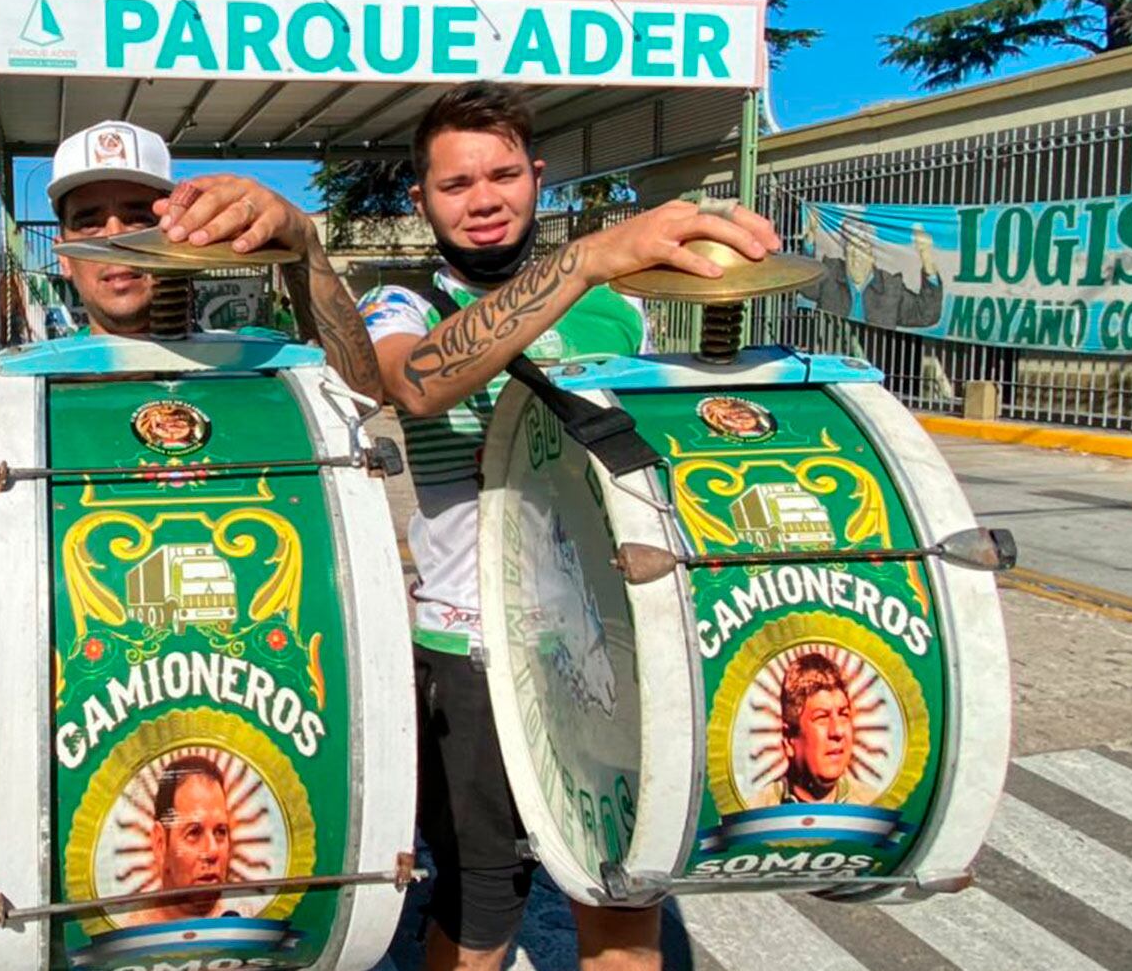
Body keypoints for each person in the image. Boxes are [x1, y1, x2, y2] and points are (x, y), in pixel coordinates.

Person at [356, 81, 780, 971]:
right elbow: (417, 384)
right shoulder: (398, 304)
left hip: (613, 644)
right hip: (468, 656)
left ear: (536, 178)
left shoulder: (621, 308)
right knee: (478, 914)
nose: (483, 200)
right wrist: (586, 258)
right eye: (455, 184)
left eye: (504, 174)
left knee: (624, 904)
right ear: (420, 199)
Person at [0, 119, 380, 552]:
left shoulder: (258, 361)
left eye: (139, 218)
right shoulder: (33, 394)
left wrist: (306, 247)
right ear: (65, 254)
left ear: (176, 233)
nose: (116, 237)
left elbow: (361, 399)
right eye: (91, 221)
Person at [748, 654, 878, 809]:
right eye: (822, 717)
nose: (837, 731)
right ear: (789, 739)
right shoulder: (755, 815)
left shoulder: (875, 809)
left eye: (843, 715)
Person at [126, 755, 233, 925]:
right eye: (194, 833)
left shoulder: (249, 921)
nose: (212, 851)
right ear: (160, 843)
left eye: (220, 832)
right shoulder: (128, 935)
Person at [805, 212, 944, 329]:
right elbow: (806, 286)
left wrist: (926, 256)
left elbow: (926, 315)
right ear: (844, 253)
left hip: (874, 356)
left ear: (872, 256)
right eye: (850, 248)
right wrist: (810, 236)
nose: (856, 257)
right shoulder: (831, 272)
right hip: (831, 354)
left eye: (862, 249)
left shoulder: (890, 287)